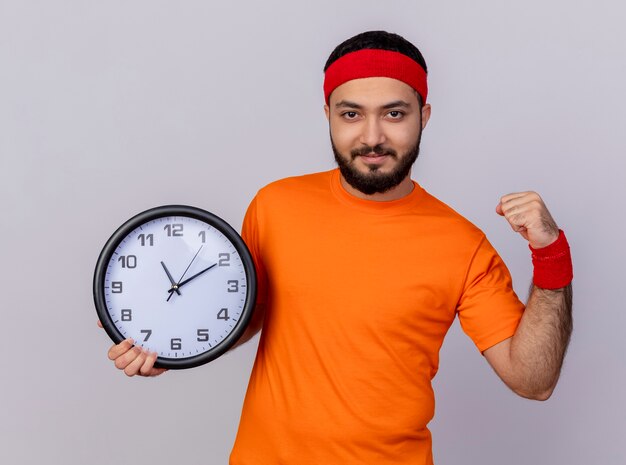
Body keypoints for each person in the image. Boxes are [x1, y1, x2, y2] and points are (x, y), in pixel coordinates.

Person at [103, 31, 573, 464]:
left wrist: (551, 255)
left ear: (423, 116)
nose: (372, 137)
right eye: (352, 113)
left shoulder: (463, 245)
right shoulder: (275, 205)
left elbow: (533, 381)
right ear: (327, 114)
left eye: (394, 113)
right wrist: (164, 347)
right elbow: (245, 317)